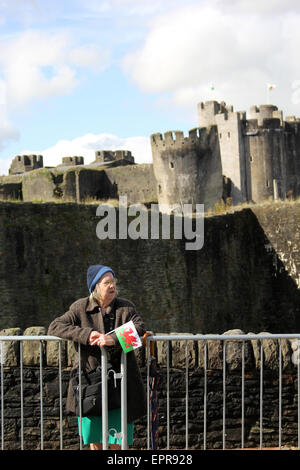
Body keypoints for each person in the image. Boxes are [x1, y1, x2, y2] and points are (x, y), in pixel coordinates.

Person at [48, 264, 147, 450]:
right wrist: (86, 335)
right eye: (107, 282)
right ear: (95, 287)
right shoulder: (80, 308)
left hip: (121, 384)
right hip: (90, 384)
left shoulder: (126, 307)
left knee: (118, 440)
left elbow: (140, 328)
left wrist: (113, 339)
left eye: (113, 282)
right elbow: (55, 326)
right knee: (95, 440)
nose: (112, 286)